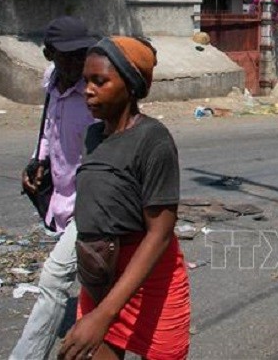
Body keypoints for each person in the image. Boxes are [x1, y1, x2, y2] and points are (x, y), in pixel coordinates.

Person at [59, 37, 190, 360]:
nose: (88, 89)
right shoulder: (93, 136)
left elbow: (159, 234)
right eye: (86, 81)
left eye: (99, 81)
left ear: (130, 85)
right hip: (101, 276)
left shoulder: (153, 140)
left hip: (150, 282)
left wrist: (104, 315)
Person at [12, 16, 97, 360]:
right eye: (68, 56)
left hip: (92, 202)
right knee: (97, 276)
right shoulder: (51, 82)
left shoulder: (96, 91)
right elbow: (49, 127)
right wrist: (38, 160)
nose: (78, 63)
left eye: (82, 54)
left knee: (52, 280)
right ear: (49, 55)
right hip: (63, 195)